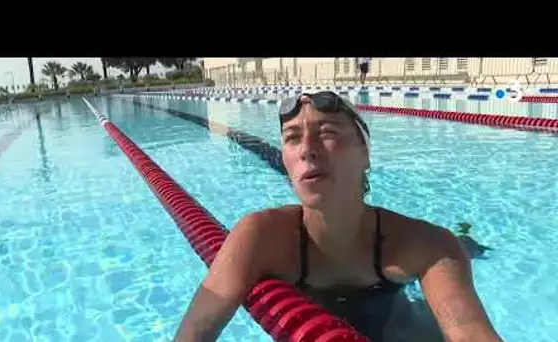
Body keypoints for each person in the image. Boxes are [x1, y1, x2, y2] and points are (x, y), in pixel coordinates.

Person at [173, 91, 503, 342]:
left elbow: (469, 332)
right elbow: (194, 332)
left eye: (327, 132)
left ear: (365, 155)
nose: (307, 149)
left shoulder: (430, 246)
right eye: (292, 138)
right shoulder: (258, 237)